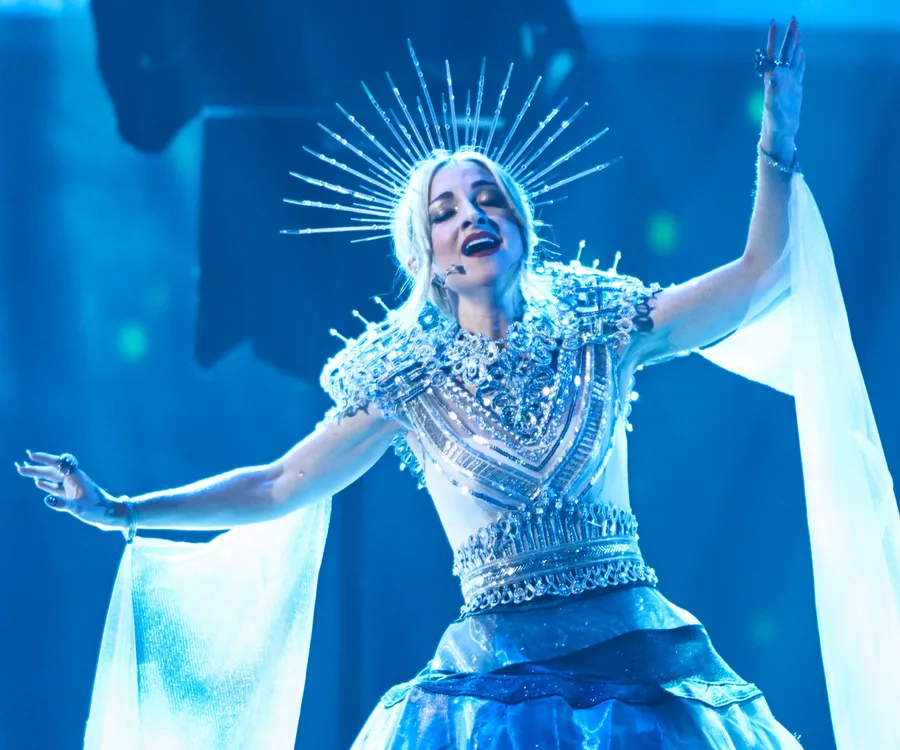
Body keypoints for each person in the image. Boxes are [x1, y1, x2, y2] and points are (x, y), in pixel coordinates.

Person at [16, 18, 900, 750]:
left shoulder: (603, 326)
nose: (471, 215)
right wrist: (124, 510)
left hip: (647, 678)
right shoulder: (406, 376)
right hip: (493, 693)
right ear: (428, 259)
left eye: (488, 200)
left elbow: (756, 277)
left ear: (518, 224)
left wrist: (775, 148)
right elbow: (280, 482)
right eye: (445, 211)